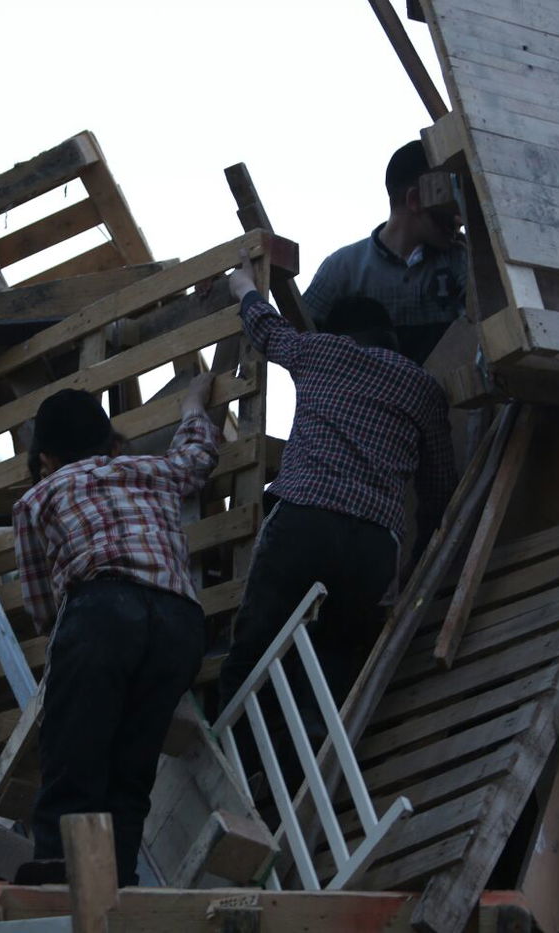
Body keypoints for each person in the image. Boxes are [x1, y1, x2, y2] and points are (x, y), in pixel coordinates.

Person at [218, 255, 458, 734]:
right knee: (333, 663)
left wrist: (243, 285)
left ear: (341, 333)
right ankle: (308, 777)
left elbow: (268, 329)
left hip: (304, 520)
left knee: (257, 645)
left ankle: (233, 758)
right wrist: (413, 559)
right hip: (372, 545)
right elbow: (438, 493)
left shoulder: (321, 351)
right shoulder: (423, 388)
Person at [12, 374, 218, 886]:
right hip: (179, 623)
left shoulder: (37, 500)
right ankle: (116, 885)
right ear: (109, 442)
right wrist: (193, 402)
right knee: (131, 773)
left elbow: (43, 610)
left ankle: (64, 881)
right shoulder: (154, 470)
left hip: (101, 612)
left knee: (73, 756)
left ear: (45, 460)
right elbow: (199, 453)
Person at [303, 139, 467, 365]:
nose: (459, 218)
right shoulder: (343, 268)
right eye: (447, 199)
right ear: (415, 200)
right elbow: (300, 338)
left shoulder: (462, 259)